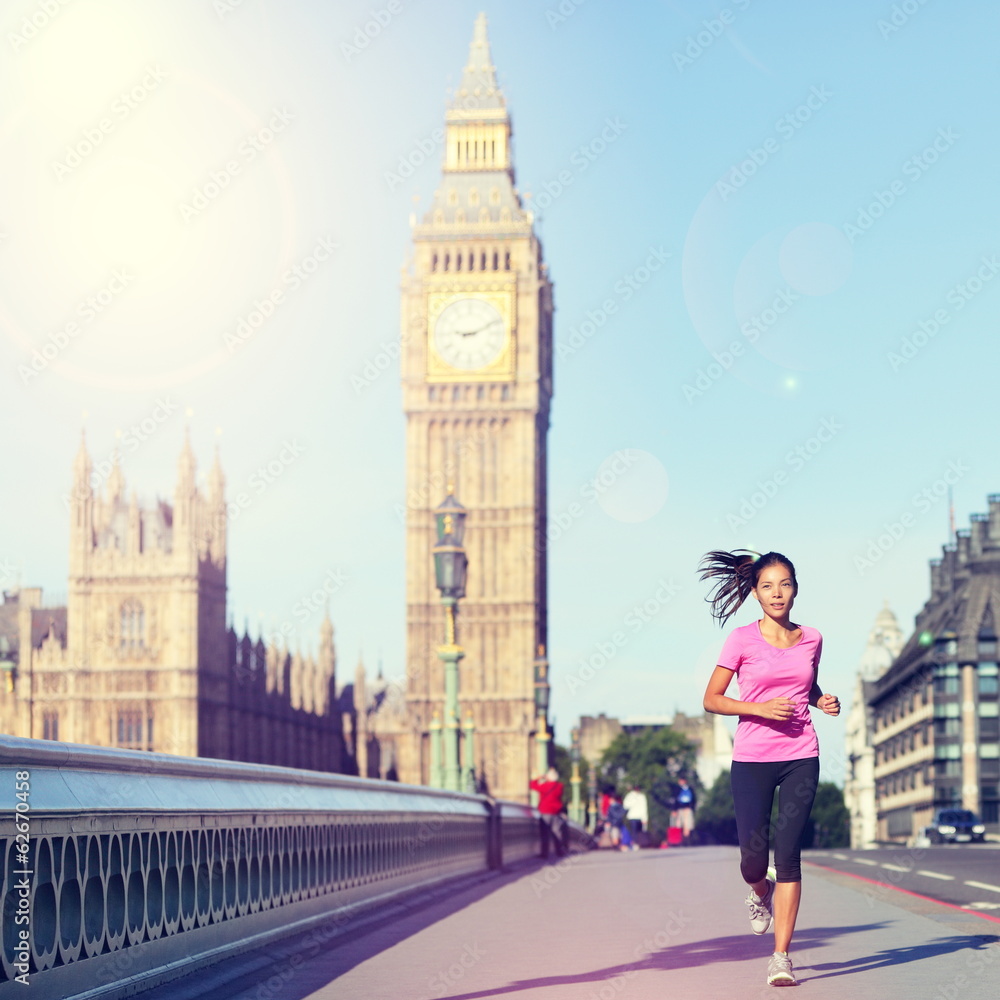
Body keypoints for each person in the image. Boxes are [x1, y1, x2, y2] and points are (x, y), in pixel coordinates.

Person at [700, 549, 840, 988]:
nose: (777, 593)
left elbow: (804, 684)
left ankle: (781, 957)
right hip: (752, 759)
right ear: (756, 594)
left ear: (795, 589)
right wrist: (759, 708)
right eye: (767, 586)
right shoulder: (741, 639)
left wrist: (820, 700)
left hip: (801, 755)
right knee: (753, 861)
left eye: (784, 584)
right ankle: (760, 891)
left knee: (789, 855)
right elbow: (712, 699)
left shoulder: (812, 638)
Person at [529, 767, 567, 859]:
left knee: (544, 833)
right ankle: (560, 851)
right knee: (557, 832)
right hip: (556, 812)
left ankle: (544, 853)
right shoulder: (560, 786)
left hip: (545, 812)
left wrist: (540, 777)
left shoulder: (545, 786)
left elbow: (532, 785)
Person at [622, 784, 648, 850]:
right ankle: (634, 843)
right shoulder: (630, 796)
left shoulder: (642, 796)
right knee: (634, 831)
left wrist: (645, 818)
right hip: (632, 816)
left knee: (639, 831)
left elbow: (644, 807)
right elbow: (625, 805)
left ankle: (638, 843)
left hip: (640, 816)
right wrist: (633, 802)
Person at [673, 777, 696, 846]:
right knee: (679, 825)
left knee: (687, 825)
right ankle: (680, 841)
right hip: (680, 809)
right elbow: (675, 800)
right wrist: (674, 809)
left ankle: (687, 841)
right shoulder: (677, 789)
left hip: (687, 809)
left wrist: (692, 808)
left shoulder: (689, 789)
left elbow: (694, 799)